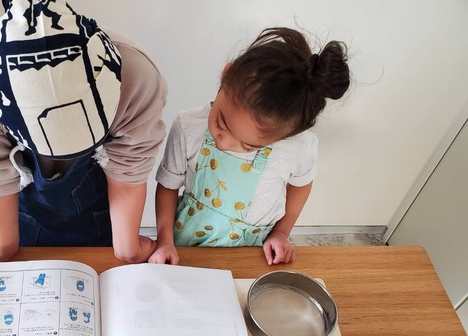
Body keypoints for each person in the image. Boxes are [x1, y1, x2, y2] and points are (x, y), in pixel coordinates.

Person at [0, 0, 167, 263]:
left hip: (101, 209)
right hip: (26, 212)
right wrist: (4, 245)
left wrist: (127, 247)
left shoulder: (135, 76)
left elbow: (128, 167)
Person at [149, 27, 350, 265]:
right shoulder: (187, 127)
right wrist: (164, 241)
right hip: (187, 244)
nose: (223, 142)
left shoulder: (298, 146)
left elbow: (301, 184)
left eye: (248, 146)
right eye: (221, 122)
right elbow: (168, 186)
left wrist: (281, 233)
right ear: (226, 74)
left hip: (254, 251)